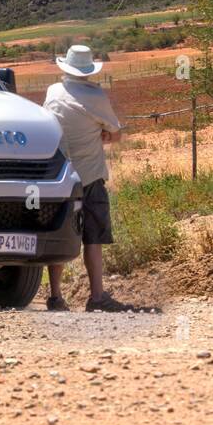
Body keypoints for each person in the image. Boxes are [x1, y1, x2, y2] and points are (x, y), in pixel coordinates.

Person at [43, 45, 138, 312]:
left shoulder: (52, 92)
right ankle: (97, 297)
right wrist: (104, 135)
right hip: (90, 176)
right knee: (93, 238)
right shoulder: (96, 95)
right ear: (88, 69)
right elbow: (116, 134)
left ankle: (56, 296)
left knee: (59, 235)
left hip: (59, 177)